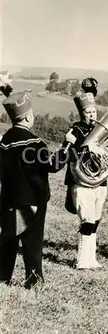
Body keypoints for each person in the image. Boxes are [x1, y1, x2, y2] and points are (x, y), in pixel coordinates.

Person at [0, 88, 73, 288]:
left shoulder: (4, 142)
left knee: (7, 241)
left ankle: (2, 278)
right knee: (32, 243)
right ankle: (33, 280)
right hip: (32, 202)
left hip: (8, 202)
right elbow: (52, 165)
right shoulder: (35, 143)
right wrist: (66, 146)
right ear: (27, 117)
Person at [63, 78, 108, 269]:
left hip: (100, 181)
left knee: (95, 221)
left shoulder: (101, 128)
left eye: (94, 111)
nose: (92, 115)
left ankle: (91, 258)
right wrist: (87, 148)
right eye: (88, 112)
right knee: (87, 220)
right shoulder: (75, 129)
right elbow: (68, 154)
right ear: (82, 113)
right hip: (81, 182)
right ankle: (82, 259)